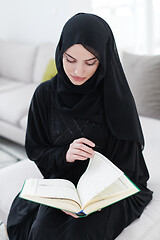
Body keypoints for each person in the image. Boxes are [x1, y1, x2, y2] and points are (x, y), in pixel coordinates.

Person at [7, 13, 153, 240]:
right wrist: (65, 155)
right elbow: (36, 149)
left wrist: (98, 197)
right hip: (62, 182)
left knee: (82, 231)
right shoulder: (45, 95)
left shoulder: (116, 99)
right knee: (43, 229)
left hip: (107, 192)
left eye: (90, 62)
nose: (78, 71)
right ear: (60, 53)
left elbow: (130, 167)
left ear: (103, 59)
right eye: (70, 60)